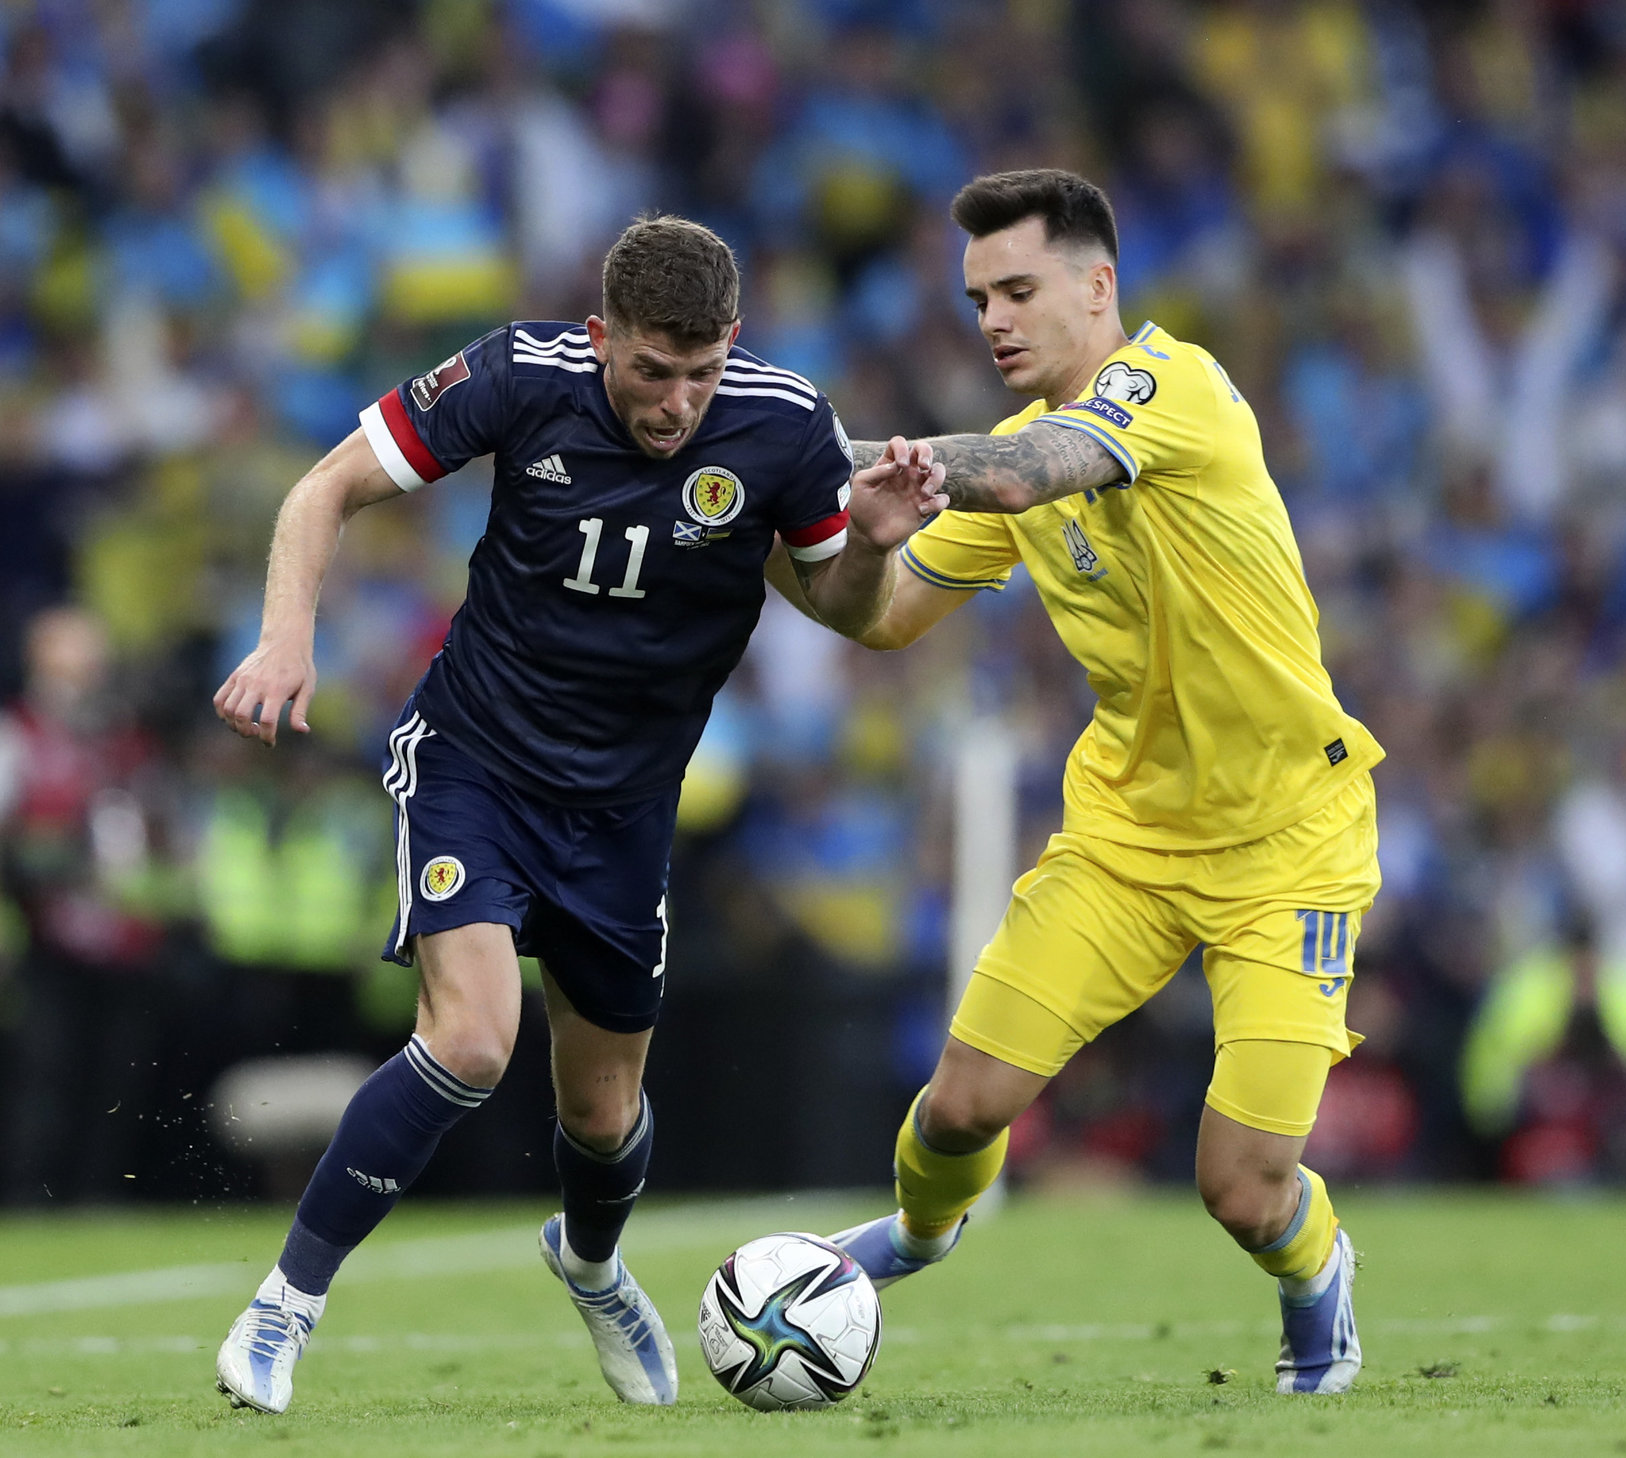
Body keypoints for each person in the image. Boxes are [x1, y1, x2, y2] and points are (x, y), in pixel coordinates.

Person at [209, 216, 936, 1413]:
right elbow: (323, 488)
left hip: (626, 810)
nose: (677, 404)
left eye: (701, 374)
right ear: (601, 337)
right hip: (475, 764)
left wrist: (867, 544)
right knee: (475, 1040)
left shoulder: (787, 422)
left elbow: (854, 611)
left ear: (733, 348)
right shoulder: (516, 374)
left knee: (601, 1116)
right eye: (652, 371)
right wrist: (288, 638)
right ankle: (285, 1305)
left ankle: (592, 1268)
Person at [786, 169, 1382, 1395]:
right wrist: (770, 527)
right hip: (1125, 833)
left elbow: (1023, 477)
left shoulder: (1173, 388)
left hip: (1290, 840)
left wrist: (779, 449)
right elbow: (881, 617)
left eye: (1018, 289)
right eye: (976, 299)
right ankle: (916, 1234)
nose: (994, 319)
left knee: (1241, 1187)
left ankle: (1318, 1275)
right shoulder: (1003, 446)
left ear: (1097, 284)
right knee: (956, 1110)